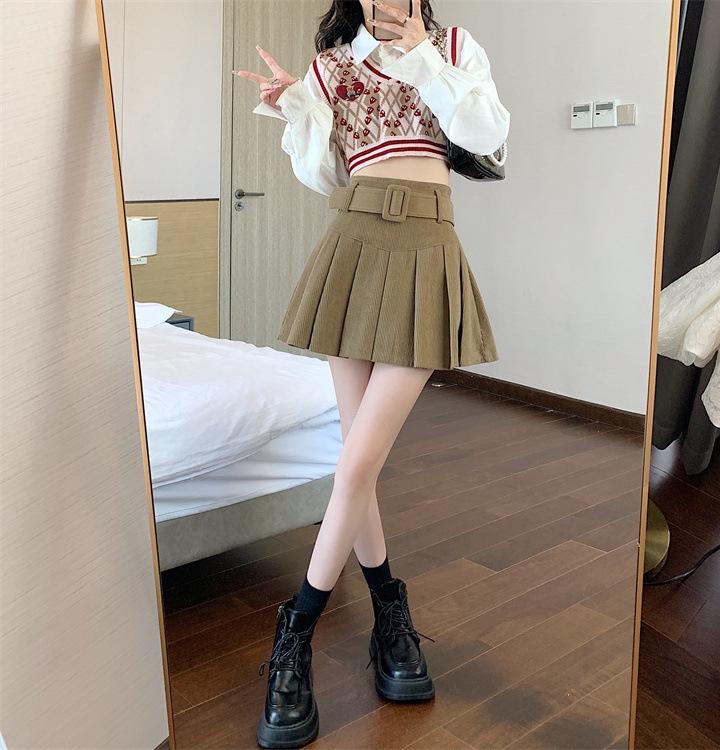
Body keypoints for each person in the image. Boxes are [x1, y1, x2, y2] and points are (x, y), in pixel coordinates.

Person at [234, 1, 509, 746]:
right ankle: (390, 614)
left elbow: (485, 133)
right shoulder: (330, 67)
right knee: (361, 460)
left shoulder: (454, 47)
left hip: (427, 244)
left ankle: (295, 631)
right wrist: (298, 107)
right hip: (352, 244)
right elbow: (323, 175)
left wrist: (424, 57)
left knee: (357, 462)